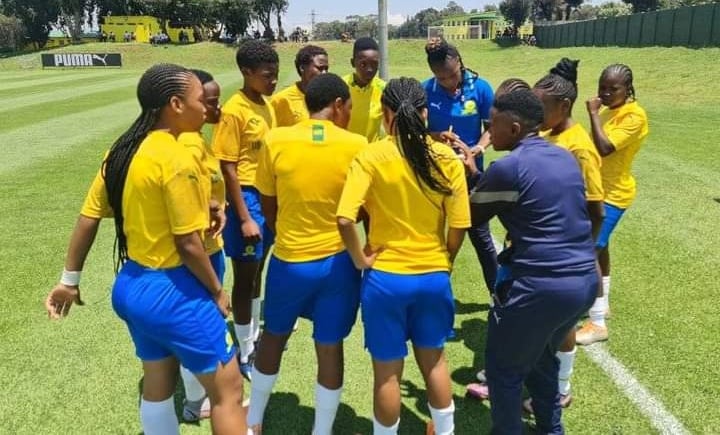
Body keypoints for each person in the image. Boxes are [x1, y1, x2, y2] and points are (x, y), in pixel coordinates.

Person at [45, 64, 246, 434]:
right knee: (229, 391)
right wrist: (218, 292)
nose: (206, 108)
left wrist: (69, 281)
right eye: (200, 100)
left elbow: (90, 216)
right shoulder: (175, 156)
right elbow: (187, 244)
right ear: (175, 104)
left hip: (131, 286)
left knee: (157, 384)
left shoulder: (121, 149)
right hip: (174, 291)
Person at [337, 77, 470, 435]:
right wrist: (447, 259)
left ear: (384, 114)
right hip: (432, 276)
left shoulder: (370, 155)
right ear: (425, 113)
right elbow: (459, 226)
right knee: (435, 363)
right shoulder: (446, 157)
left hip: (385, 280)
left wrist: (359, 260)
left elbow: (345, 217)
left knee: (387, 373)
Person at [467, 89, 598, 434]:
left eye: (492, 123)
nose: (488, 130)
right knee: (541, 359)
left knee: (504, 370)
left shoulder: (509, 166)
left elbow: (468, 214)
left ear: (512, 127)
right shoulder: (563, 156)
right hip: (583, 281)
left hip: (540, 287)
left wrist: (465, 175)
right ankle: (551, 430)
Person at [247, 73, 367, 435]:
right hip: (338, 264)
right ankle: (322, 430)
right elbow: (360, 210)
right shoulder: (357, 144)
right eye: (348, 107)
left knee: (273, 337)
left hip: (289, 260)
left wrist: (289, 227)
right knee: (329, 346)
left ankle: (253, 421)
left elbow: (268, 204)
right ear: (339, 105)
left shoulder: (276, 139)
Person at [523, 58, 604, 412]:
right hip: (540, 245)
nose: (537, 114)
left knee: (561, 324)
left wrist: (584, 248)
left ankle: (561, 387)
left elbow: (595, 207)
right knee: (538, 323)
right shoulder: (547, 134)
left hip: (565, 250)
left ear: (564, 105)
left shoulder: (578, 146)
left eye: (541, 107)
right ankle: (529, 375)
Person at [212, 40, 278, 381]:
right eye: (267, 75)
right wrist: (245, 216)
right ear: (246, 72)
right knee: (245, 277)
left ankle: (251, 337)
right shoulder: (234, 110)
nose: (273, 81)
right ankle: (246, 350)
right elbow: (228, 166)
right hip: (246, 200)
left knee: (257, 273)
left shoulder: (265, 105)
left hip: (265, 197)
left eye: (275, 75)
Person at [577, 64, 649, 345]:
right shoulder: (609, 111)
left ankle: (596, 324)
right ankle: (603, 301)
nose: (605, 93)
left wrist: (593, 114)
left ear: (627, 89)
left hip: (613, 195)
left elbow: (606, 147)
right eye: (602, 87)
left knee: (588, 251)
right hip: (596, 191)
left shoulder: (634, 116)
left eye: (613, 88)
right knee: (600, 247)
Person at [422, 38, 498, 296]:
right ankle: (432, 295)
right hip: (436, 177)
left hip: (472, 175)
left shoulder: (481, 88)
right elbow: (418, 132)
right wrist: (436, 135)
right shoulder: (425, 91)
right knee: (434, 238)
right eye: (441, 79)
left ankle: (497, 295)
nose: (449, 83)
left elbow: (492, 129)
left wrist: (476, 149)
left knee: (481, 238)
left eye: (452, 76)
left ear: (460, 64)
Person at [177, 68, 228, 422]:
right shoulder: (187, 145)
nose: (216, 108)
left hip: (211, 244)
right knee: (196, 326)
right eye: (209, 102)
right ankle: (195, 402)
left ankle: (196, 396)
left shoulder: (198, 138)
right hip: (200, 250)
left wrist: (216, 205)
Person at [271, 45, 329, 127]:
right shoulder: (282, 100)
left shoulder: (329, 98)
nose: (324, 73)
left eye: (326, 68)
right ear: (302, 68)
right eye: (320, 68)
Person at [343, 37, 386, 142]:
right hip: (346, 153)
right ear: (353, 63)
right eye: (363, 64)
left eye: (374, 64)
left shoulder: (384, 89)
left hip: (371, 154)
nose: (369, 69)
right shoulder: (340, 87)